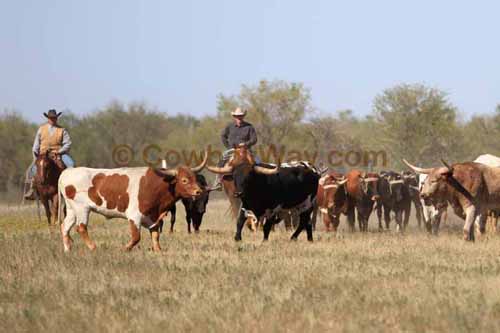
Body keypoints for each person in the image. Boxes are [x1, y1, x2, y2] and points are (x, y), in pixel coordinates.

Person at [24, 109, 75, 200]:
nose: (53, 120)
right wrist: (36, 157)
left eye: (54, 118)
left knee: (71, 164)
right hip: (43, 154)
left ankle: (71, 188)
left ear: (57, 118)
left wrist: (60, 151)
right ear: (48, 118)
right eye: (51, 118)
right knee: (33, 170)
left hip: (58, 153)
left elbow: (68, 143)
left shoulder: (62, 130)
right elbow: (36, 145)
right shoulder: (41, 129)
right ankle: (32, 189)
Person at [210, 107, 258, 191]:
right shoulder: (230, 126)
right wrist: (229, 146)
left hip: (246, 150)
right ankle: (218, 182)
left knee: (258, 161)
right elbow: (223, 136)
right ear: (234, 117)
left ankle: (260, 181)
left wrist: (246, 144)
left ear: (243, 116)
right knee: (221, 161)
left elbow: (254, 139)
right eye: (237, 116)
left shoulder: (249, 127)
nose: (239, 117)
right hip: (232, 150)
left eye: (240, 116)